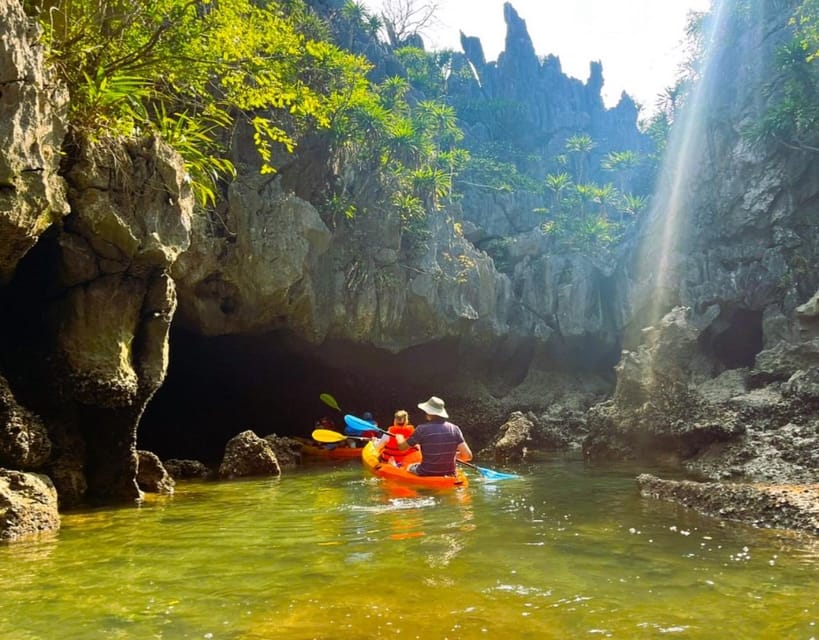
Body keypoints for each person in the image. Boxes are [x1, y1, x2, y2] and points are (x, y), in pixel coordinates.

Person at [395, 396, 472, 476]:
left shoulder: (421, 429)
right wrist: (450, 455)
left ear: (429, 413)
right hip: (450, 474)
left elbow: (402, 448)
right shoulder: (455, 429)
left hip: (425, 472)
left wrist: (399, 438)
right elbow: (467, 456)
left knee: (409, 466)